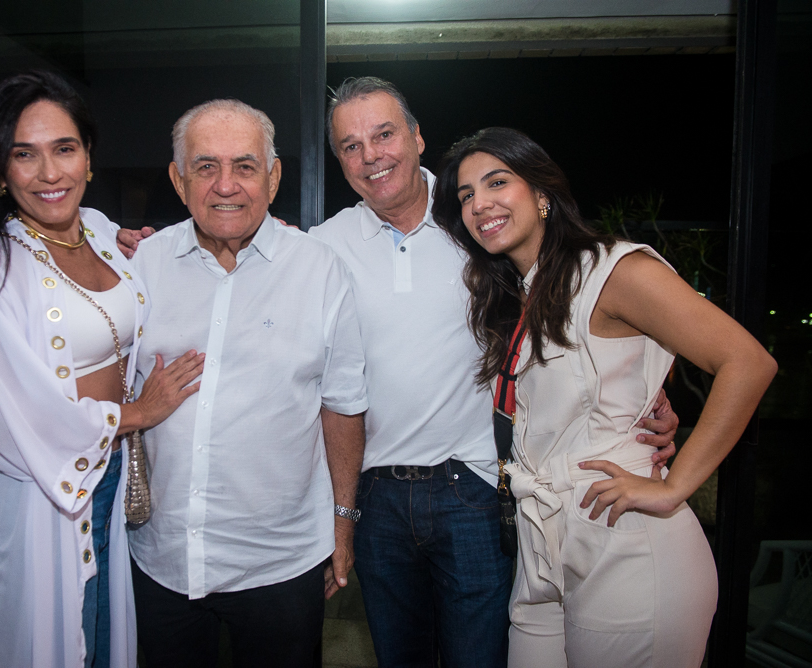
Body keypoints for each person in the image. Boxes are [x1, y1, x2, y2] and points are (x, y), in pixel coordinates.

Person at [307, 77, 680, 667]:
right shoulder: (321, 247)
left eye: (384, 134)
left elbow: (567, 310)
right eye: (351, 146)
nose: (371, 155)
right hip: (376, 497)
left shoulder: (476, 222)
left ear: (417, 137)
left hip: (476, 489)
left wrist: (643, 392)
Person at [431, 127, 777, 668]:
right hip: (542, 543)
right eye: (466, 195)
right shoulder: (518, 295)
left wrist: (677, 485)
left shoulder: (612, 268)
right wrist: (645, 395)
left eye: (497, 182)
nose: (479, 204)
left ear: (542, 193)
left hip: (623, 538)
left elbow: (748, 363)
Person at [0, 71, 204, 668]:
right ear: (0, 172)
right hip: (42, 497)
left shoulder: (101, 232)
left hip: (109, 476)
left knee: (101, 639)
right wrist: (140, 412)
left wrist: (265, 236)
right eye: (24, 154)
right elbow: (24, 415)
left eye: (64, 148)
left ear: (89, 157)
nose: (49, 173)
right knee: (58, 642)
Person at [120, 99, 368, 667]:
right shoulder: (139, 266)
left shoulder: (320, 269)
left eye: (245, 166)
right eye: (206, 167)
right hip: (163, 559)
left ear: (274, 178)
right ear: (179, 181)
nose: (226, 185)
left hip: (280, 562)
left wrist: (342, 527)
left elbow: (343, 406)